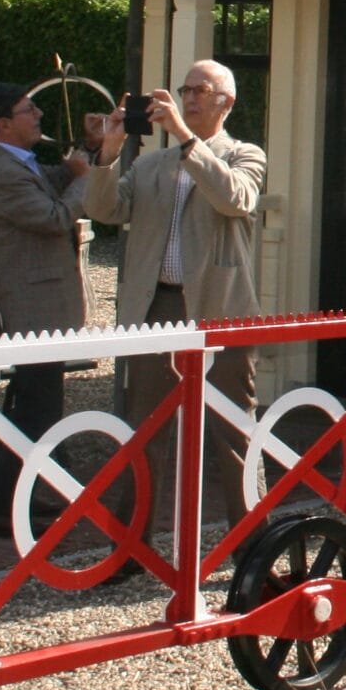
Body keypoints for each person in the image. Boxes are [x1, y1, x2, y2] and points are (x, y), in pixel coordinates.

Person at [82, 59, 267, 521]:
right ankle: (130, 545)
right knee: (143, 432)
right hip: (155, 308)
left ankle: (253, 542)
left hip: (220, 308)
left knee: (233, 428)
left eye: (201, 91)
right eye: (185, 90)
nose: (189, 98)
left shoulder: (243, 154)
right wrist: (108, 152)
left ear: (227, 102)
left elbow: (234, 199)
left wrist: (187, 139)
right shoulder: (150, 165)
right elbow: (104, 209)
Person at [0, 82, 93, 524]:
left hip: (39, 305)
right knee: (35, 408)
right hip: (30, 308)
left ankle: (12, 497)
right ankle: (3, 509)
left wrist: (85, 157)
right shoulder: (2, 170)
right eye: (28, 110)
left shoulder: (15, 162)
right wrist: (84, 179)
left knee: (32, 404)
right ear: (4, 124)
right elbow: (53, 216)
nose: (39, 113)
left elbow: (46, 184)